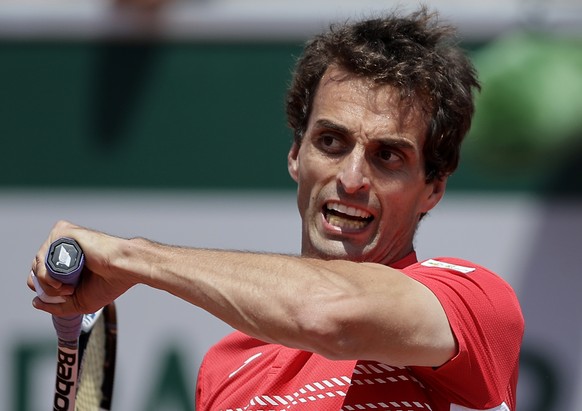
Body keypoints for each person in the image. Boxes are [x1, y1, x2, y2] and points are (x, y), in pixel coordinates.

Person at [28, 7, 524, 411]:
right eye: (331, 142)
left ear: (433, 187)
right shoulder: (225, 369)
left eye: (387, 156)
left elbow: (329, 316)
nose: (351, 179)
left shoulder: (474, 302)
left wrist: (133, 258)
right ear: (295, 154)